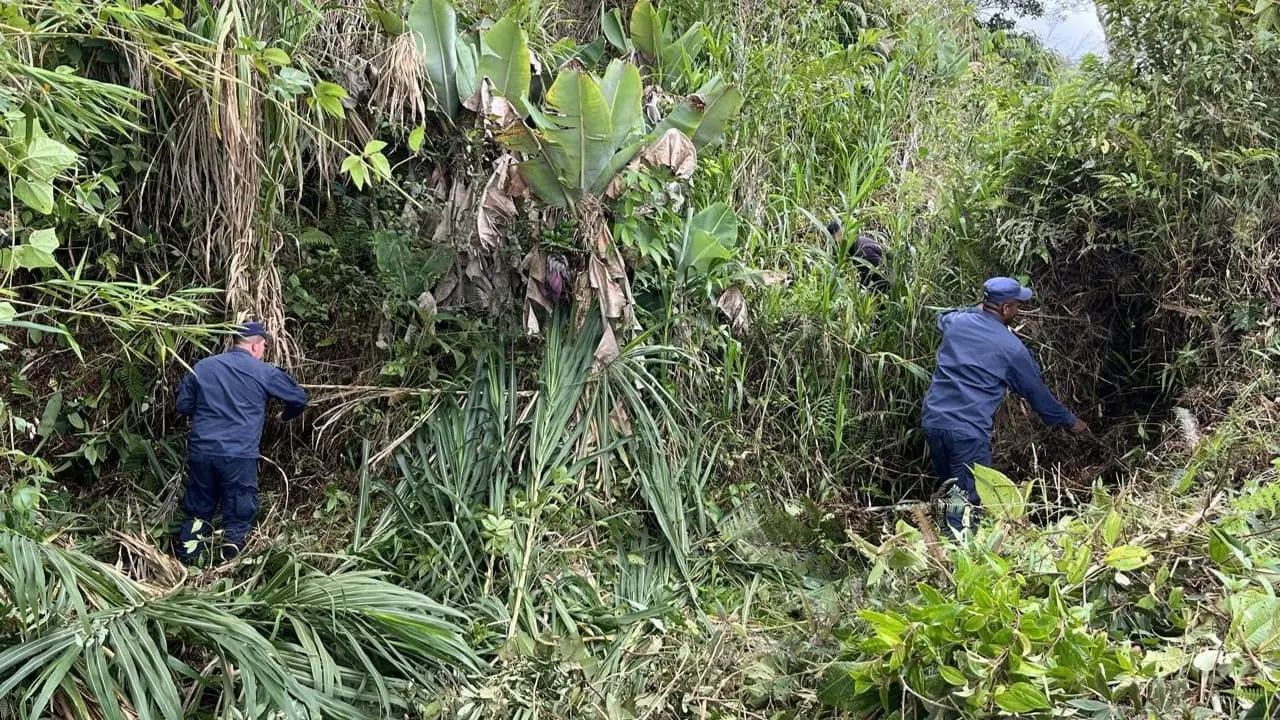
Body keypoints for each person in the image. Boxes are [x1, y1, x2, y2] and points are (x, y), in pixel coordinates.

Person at [921, 277, 1087, 534]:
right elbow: (1038, 397)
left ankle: (944, 550)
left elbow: (943, 316)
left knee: (952, 492)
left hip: (933, 422)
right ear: (1006, 309)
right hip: (967, 432)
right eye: (1017, 306)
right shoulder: (1011, 349)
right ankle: (956, 561)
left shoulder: (957, 323)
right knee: (964, 507)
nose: (1019, 311)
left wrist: (976, 310)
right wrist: (1070, 422)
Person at [174, 322, 308, 563]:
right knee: (238, 509)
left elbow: (183, 406)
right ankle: (230, 561)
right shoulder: (264, 372)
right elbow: (299, 399)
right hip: (238, 454)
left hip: (202, 450)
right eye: (264, 346)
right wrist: (283, 416)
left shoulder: (203, 367)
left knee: (198, 508)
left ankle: (187, 562)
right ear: (256, 345)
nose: (263, 351)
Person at [828, 220, 889, 291]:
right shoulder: (854, 245)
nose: (836, 245)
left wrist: (863, 291)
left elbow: (881, 271)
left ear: (838, 234)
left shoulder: (861, 249)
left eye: (835, 240)